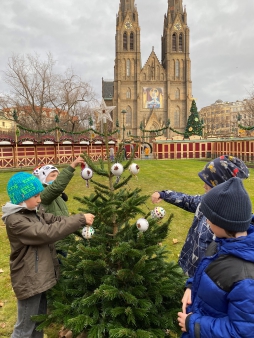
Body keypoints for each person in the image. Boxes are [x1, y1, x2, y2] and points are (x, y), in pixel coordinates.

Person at [2, 172, 95, 338]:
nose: (39, 199)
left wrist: (78, 220)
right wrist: (80, 220)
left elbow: (55, 220)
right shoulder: (16, 221)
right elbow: (46, 232)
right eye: (36, 196)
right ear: (23, 197)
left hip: (39, 278)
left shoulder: (33, 213)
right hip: (29, 280)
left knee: (39, 322)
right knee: (24, 329)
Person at [177, 177, 254, 337]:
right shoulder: (219, 243)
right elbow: (205, 269)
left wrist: (193, 324)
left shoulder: (246, 278)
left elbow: (241, 332)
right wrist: (191, 287)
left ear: (223, 222)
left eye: (210, 218)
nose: (207, 221)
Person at [151, 155, 249, 277]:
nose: (204, 185)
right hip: (188, 268)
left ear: (220, 185)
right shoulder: (206, 200)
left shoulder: (228, 221)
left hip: (201, 279)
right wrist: (164, 194)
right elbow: (189, 200)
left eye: (207, 182)